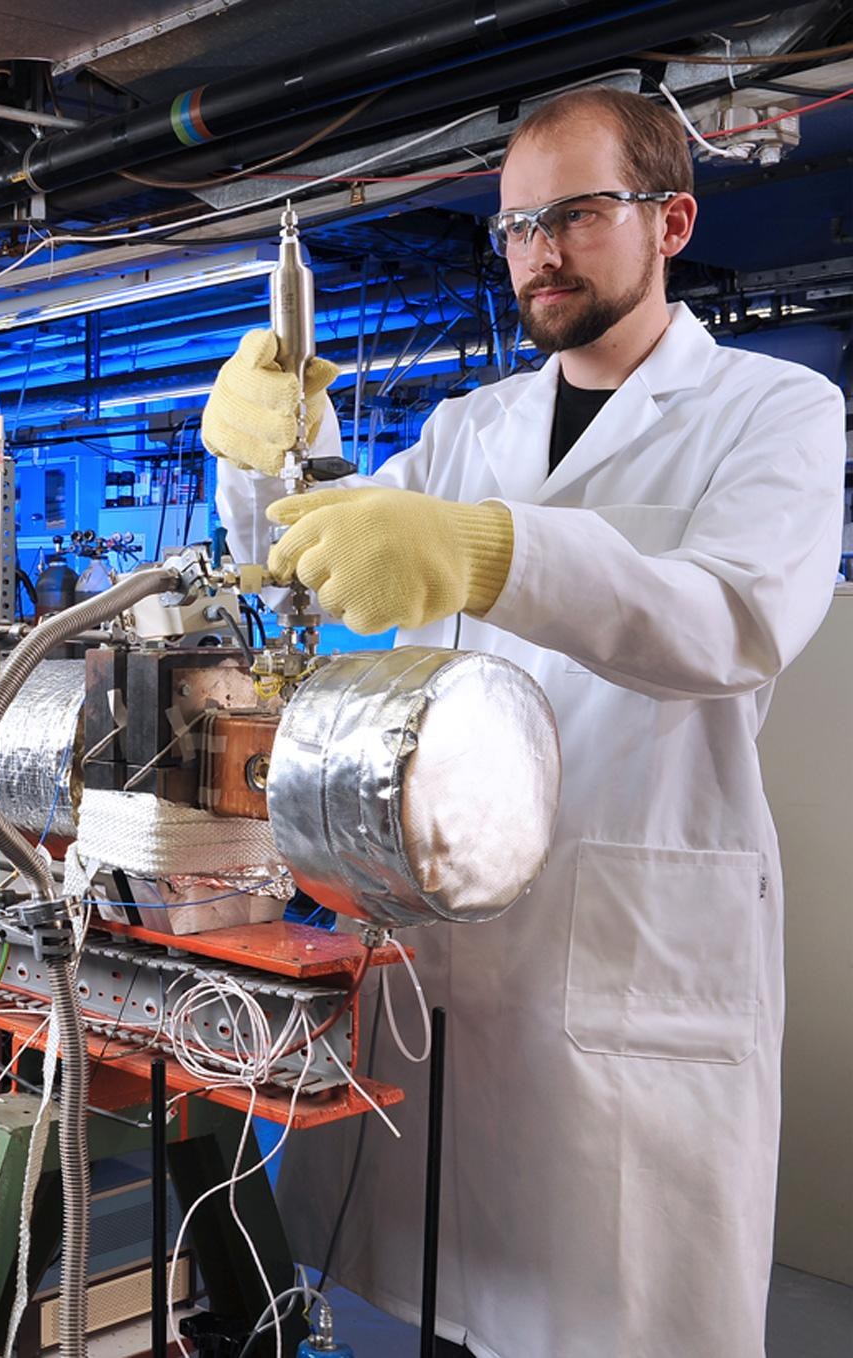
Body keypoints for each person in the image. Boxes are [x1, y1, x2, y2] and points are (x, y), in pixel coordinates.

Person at [202, 86, 845, 1358]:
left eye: (574, 215)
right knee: (445, 1301)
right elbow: (295, 554)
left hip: (633, 940)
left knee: (611, 1316)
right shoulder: (469, 429)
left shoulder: (774, 412)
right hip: (457, 929)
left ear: (673, 220)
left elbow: (733, 621)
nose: (539, 250)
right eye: (514, 226)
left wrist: (492, 552)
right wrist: (264, 452)